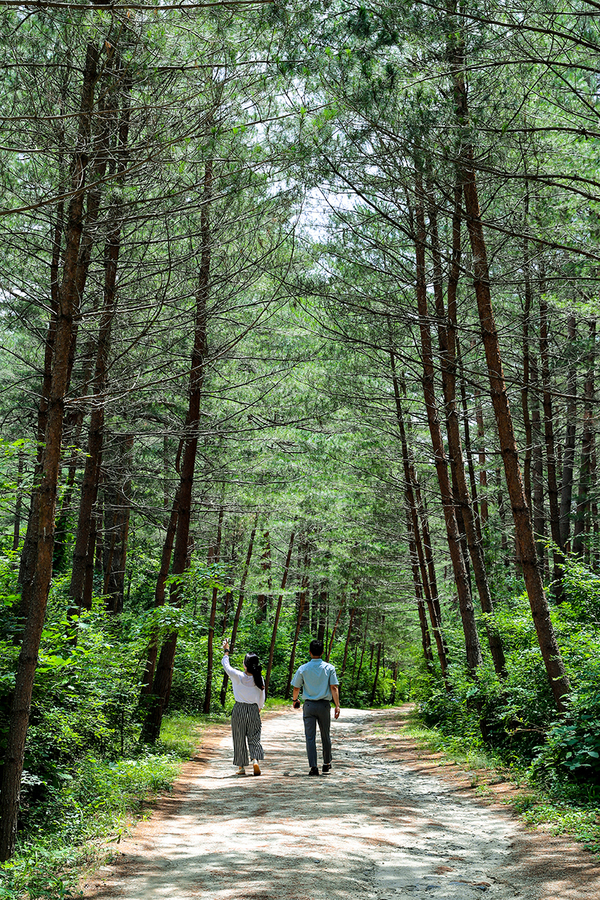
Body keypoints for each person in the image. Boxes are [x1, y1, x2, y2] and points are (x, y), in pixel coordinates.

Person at [291, 639, 340, 776]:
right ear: (323, 652)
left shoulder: (303, 669)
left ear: (310, 652)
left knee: (310, 737)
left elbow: (296, 687)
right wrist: (337, 705)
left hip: (309, 706)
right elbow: (334, 687)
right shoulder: (329, 668)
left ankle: (313, 766)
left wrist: (295, 700)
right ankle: (326, 763)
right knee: (325, 734)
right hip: (324, 706)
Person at [221, 640, 265, 775]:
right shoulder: (259, 678)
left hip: (239, 709)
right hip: (253, 709)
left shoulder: (237, 676)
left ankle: (241, 768)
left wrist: (226, 651)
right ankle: (255, 759)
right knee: (254, 736)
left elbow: (226, 665)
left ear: (245, 665)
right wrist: (259, 708)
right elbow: (262, 696)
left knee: (239, 737)